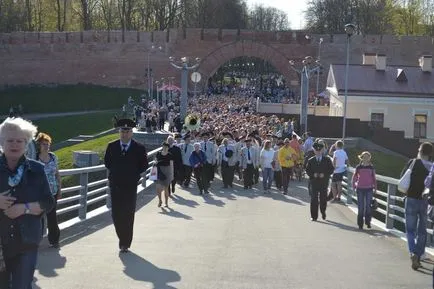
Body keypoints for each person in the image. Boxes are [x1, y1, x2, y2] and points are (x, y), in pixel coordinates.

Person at [0, 117, 54, 288]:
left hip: (26, 242)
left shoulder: (37, 169)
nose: (15, 144)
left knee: (22, 285)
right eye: (10, 140)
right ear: (2, 142)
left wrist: (24, 208)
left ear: (26, 143)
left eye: (20, 141)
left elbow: (48, 201)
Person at [104, 118, 148, 253]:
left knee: (128, 214)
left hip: (130, 186)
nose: (124, 134)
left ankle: (125, 243)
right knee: (116, 214)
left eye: (127, 131)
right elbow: (107, 162)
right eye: (122, 131)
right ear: (119, 132)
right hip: (115, 185)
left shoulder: (139, 148)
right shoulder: (112, 146)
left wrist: (133, 175)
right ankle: (121, 237)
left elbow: (144, 165)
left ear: (132, 132)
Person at [401, 142, 432, 270]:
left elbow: (402, 177)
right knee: (422, 231)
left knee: (410, 229)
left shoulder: (412, 162)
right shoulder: (432, 167)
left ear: (420, 151)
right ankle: (418, 256)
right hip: (425, 201)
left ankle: (413, 253)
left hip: (411, 198)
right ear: (430, 154)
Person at [35, 132, 62, 248]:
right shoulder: (35, 158)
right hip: (39, 194)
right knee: (37, 218)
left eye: (48, 144)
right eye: (44, 144)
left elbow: (57, 174)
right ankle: (35, 241)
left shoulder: (53, 157)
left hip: (53, 192)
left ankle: (54, 240)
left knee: (52, 218)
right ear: (39, 145)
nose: (47, 146)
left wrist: (60, 189)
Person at [305, 141, 334, 221]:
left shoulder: (327, 160)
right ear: (314, 150)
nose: (318, 152)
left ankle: (323, 211)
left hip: (323, 182)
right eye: (316, 150)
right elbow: (307, 170)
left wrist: (324, 174)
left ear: (322, 151)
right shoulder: (311, 160)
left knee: (323, 199)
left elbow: (331, 169)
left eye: (319, 150)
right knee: (314, 199)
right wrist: (312, 175)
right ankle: (314, 216)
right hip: (314, 182)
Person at [352, 151, 377, 229]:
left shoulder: (371, 167)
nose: (366, 158)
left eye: (367, 157)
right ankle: (360, 224)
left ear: (369, 158)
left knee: (368, 207)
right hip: (360, 189)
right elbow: (354, 177)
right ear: (362, 158)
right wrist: (353, 187)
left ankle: (368, 222)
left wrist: (375, 188)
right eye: (364, 157)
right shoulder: (358, 167)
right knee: (361, 207)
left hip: (369, 189)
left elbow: (374, 178)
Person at [155, 142, 174, 206]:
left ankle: (166, 202)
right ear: (162, 147)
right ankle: (160, 200)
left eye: (166, 147)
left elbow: (171, 165)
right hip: (159, 171)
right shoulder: (158, 153)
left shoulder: (170, 155)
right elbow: (155, 161)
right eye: (164, 146)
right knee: (158, 188)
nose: (165, 148)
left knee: (166, 188)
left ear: (168, 148)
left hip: (167, 171)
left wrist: (172, 175)